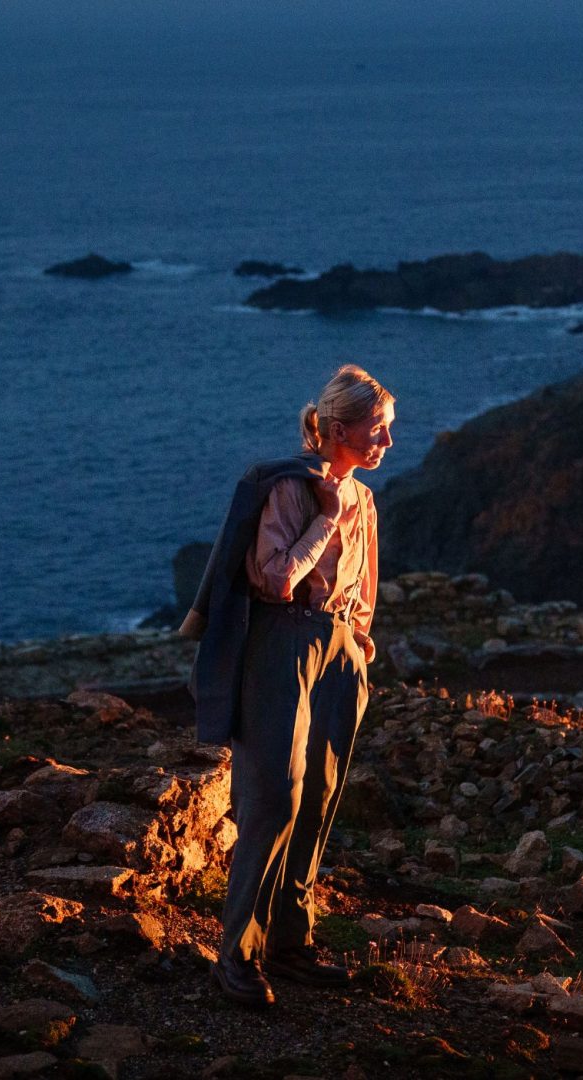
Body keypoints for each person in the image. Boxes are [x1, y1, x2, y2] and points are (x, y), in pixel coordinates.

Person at [177, 364, 394, 1008]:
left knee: (321, 795)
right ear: (335, 429)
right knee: (275, 795)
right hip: (281, 644)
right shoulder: (293, 491)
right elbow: (274, 579)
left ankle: (289, 944)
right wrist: (324, 517)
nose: (385, 442)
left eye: (387, 430)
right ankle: (236, 955)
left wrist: (358, 645)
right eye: (375, 429)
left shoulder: (366, 498)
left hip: (339, 652)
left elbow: (366, 586)